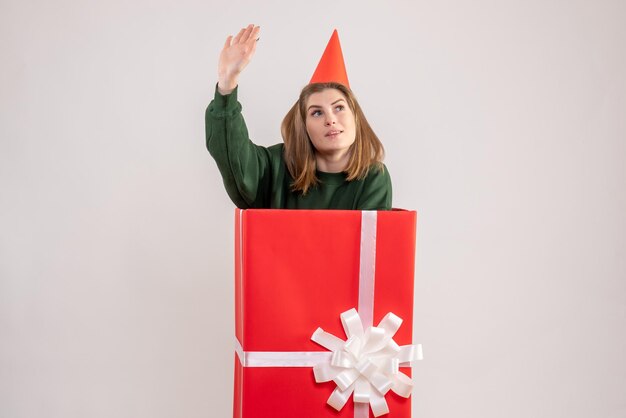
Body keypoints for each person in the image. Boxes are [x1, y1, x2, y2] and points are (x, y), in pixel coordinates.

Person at [205, 25, 392, 210]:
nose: (331, 119)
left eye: (339, 108)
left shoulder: (374, 178)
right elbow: (232, 154)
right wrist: (227, 82)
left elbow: (369, 239)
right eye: (317, 112)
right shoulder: (275, 167)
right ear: (304, 126)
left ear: (356, 117)